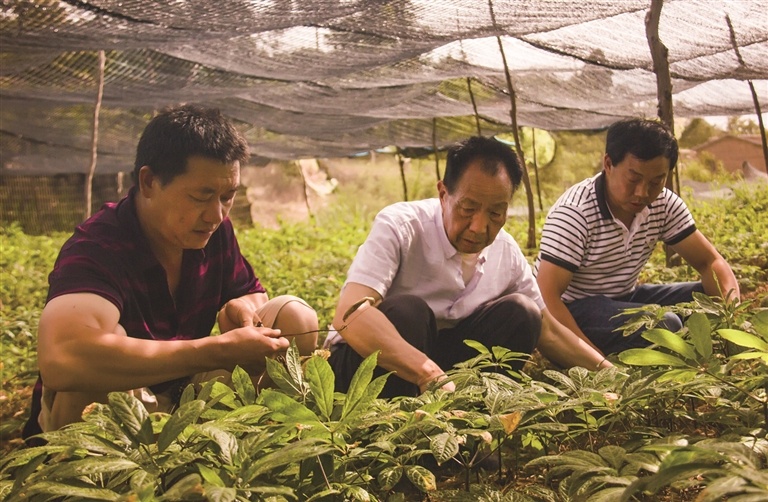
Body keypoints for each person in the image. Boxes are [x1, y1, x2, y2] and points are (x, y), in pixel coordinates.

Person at [23, 104, 318, 438]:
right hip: (121, 409)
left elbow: (248, 291)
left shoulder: (212, 229)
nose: (216, 214)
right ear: (149, 181)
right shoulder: (99, 247)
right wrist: (213, 351)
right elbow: (63, 358)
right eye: (201, 196)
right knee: (92, 376)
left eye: (227, 196)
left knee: (293, 317)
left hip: (185, 395)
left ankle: (267, 445)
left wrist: (243, 307)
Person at [325, 136, 609, 398]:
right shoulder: (401, 226)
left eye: (496, 213)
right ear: (443, 193)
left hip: (440, 367)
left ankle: (477, 417)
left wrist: (611, 374)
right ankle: (402, 435)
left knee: (522, 312)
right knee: (408, 312)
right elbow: (351, 314)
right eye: (468, 208)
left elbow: (550, 331)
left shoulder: (505, 250)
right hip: (365, 367)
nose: (479, 227)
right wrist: (428, 372)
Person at [535, 118, 739, 355]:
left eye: (656, 182)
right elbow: (547, 298)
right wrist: (595, 363)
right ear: (609, 164)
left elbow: (710, 263)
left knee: (709, 298)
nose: (643, 193)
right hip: (575, 309)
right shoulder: (574, 213)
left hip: (626, 297)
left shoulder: (663, 204)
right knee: (665, 324)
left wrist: (730, 317)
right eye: (633, 179)